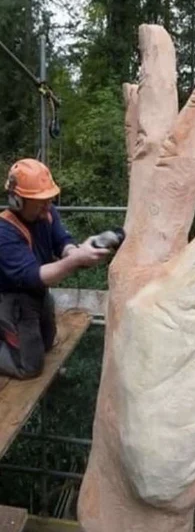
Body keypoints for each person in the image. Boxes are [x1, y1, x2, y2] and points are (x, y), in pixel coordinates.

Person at [0, 158, 110, 379]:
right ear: (17, 201)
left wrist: (75, 252)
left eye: (48, 198)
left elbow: (62, 241)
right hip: (13, 297)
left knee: (47, 343)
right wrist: (75, 260)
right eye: (40, 200)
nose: (47, 204)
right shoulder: (4, 231)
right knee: (29, 366)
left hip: (36, 294)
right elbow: (33, 277)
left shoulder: (47, 212)